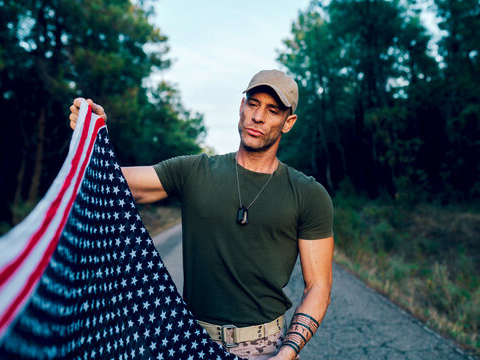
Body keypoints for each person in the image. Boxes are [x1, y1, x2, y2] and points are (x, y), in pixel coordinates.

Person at [69, 69, 334, 360]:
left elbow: (318, 286)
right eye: (253, 103)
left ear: (288, 123)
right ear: (241, 107)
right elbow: (111, 181)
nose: (258, 117)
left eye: (272, 110)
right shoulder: (194, 171)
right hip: (191, 341)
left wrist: (287, 352)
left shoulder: (308, 194)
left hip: (266, 346)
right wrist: (93, 136)